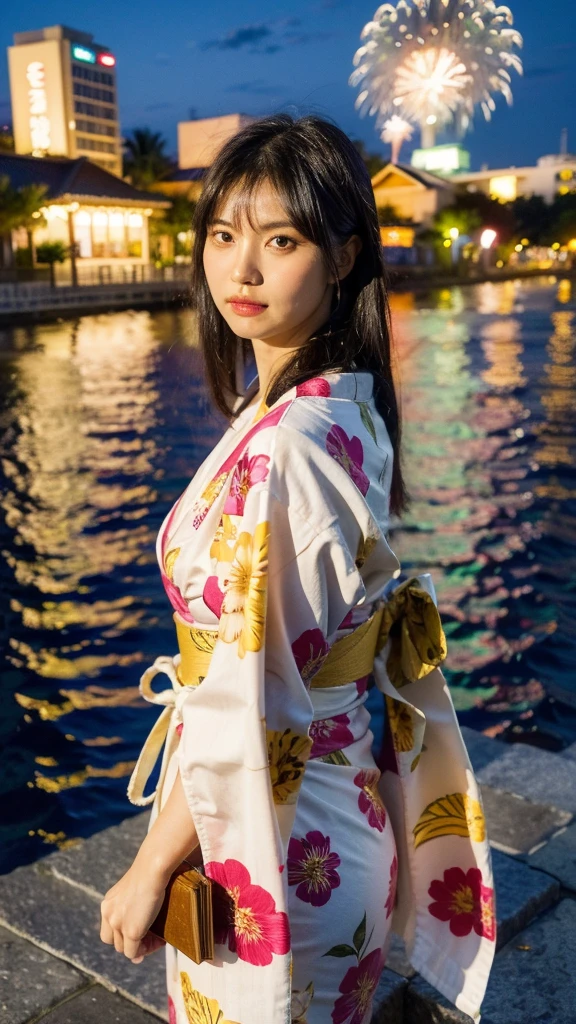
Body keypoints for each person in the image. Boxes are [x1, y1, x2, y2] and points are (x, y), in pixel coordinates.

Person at [99, 114, 496, 1024]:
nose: (241, 269)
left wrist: (151, 864)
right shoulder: (335, 406)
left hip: (279, 845)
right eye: (224, 235)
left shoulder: (290, 447)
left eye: (281, 240)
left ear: (346, 254)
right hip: (324, 806)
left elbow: (251, 697)